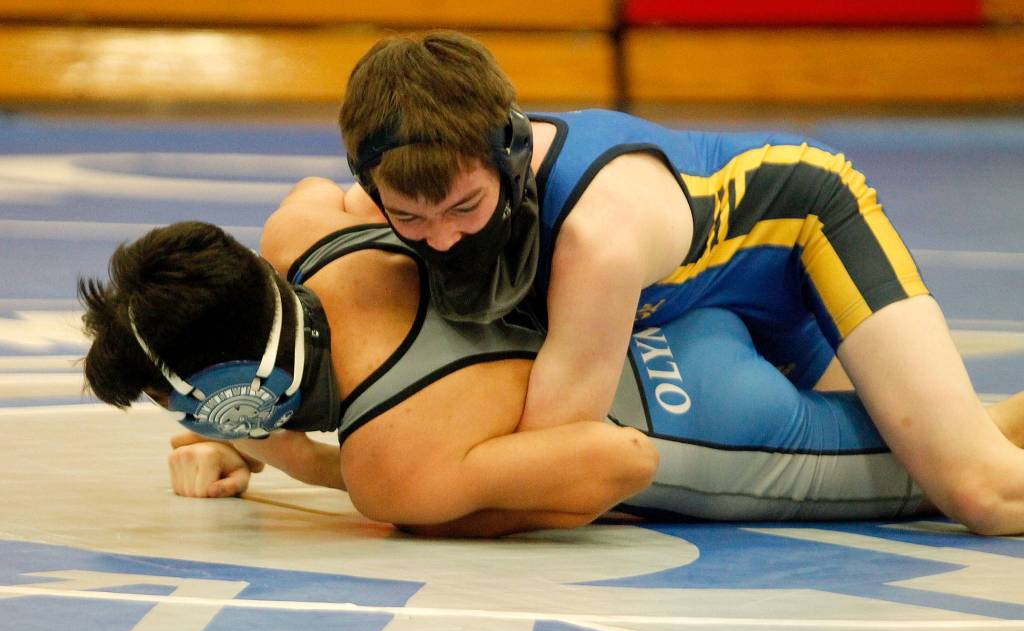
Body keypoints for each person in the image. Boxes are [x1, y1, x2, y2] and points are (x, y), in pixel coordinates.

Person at [309, 30, 1024, 536]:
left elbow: (553, 454)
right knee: (908, 452)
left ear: (513, 156)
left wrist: (346, 470)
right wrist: (253, 416)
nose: (441, 238)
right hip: (691, 298)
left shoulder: (599, 237)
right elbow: (298, 280)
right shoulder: (386, 188)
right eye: (409, 217)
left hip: (805, 234)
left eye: (466, 207)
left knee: (976, 486)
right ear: (372, 186)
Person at [80, 180, 1024, 536]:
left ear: (237, 393)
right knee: (971, 430)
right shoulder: (307, 226)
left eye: (191, 408)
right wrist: (259, 438)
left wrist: (431, 498)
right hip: (687, 285)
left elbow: (621, 463)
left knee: (989, 477)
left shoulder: (388, 466)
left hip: (699, 416)